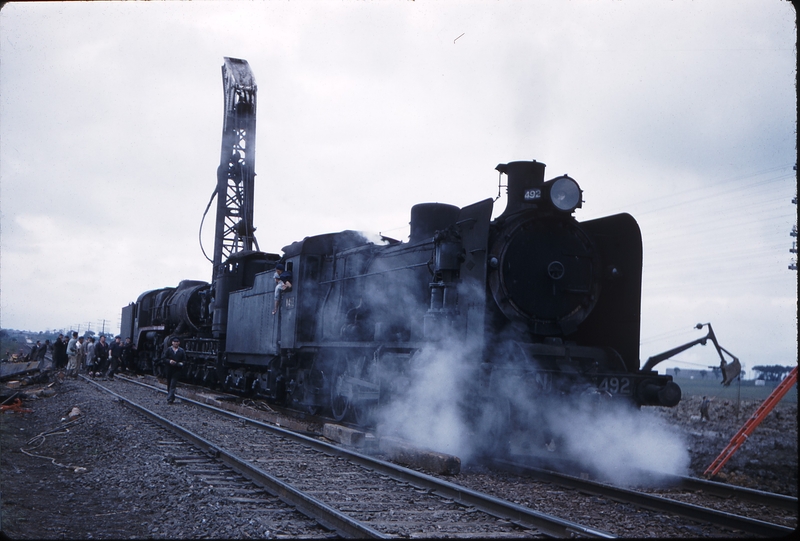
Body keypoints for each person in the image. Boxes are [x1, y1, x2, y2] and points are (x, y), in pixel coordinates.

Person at [163, 337, 186, 404]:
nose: (176, 343)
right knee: (169, 384)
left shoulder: (181, 351)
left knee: (173, 384)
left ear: (179, 343)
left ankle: (169, 399)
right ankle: (172, 397)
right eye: (174, 342)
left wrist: (181, 363)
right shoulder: (168, 350)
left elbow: (184, 360)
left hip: (177, 369)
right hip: (169, 369)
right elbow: (164, 358)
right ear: (172, 343)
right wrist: (169, 361)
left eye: (177, 342)